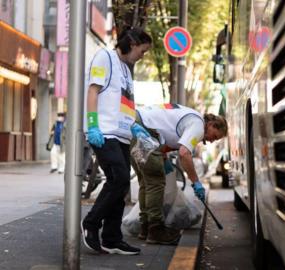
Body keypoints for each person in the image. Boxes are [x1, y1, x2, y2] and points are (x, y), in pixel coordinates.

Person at [81, 27, 152, 255]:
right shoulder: (105, 57)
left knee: (120, 185)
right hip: (104, 132)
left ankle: (112, 238)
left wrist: (134, 125)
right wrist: (92, 125)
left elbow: (125, 102)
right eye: (142, 51)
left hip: (121, 135)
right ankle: (91, 224)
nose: (143, 56)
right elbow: (93, 91)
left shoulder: (126, 69)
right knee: (119, 178)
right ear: (131, 44)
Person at [130, 104, 228, 244]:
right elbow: (184, 153)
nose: (212, 141)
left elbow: (165, 132)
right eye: (215, 136)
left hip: (134, 124)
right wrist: (196, 182)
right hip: (142, 129)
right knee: (155, 181)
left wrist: (162, 156)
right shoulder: (198, 125)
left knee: (146, 181)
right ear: (211, 124)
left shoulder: (192, 117)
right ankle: (155, 230)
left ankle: (145, 227)